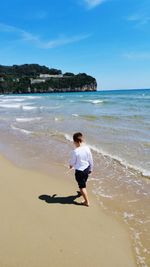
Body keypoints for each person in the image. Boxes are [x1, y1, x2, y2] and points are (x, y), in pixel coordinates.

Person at [69, 132, 93, 207]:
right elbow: (91, 160)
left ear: (75, 142)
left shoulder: (75, 151)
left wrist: (71, 166)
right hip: (87, 168)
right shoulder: (87, 148)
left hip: (80, 171)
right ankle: (81, 192)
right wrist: (91, 168)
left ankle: (86, 202)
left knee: (82, 187)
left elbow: (72, 162)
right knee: (83, 182)